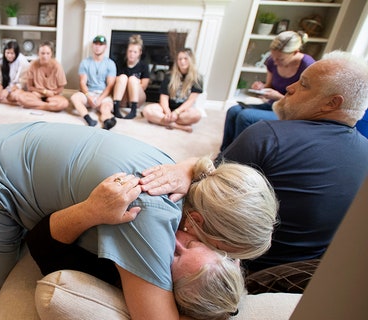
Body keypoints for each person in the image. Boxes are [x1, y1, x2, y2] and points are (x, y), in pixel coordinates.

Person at [0, 121, 278, 320]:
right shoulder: (151, 213)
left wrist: (190, 165)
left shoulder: (182, 177)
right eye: (224, 249)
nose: (224, 259)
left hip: (1, 140)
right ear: (199, 222)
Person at [141, 51, 368, 274]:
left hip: (236, 266)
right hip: (305, 273)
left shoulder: (268, 136)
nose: (289, 88)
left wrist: (188, 165)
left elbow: (206, 188)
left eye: (304, 85)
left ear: (331, 103)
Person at [220, 31, 314, 150]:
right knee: (233, 110)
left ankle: (237, 157)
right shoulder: (272, 61)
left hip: (291, 112)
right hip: (273, 105)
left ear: (295, 52)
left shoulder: (308, 67)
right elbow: (270, 86)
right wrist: (261, 87)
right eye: (273, 57)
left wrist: (279, 97)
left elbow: (307, 103)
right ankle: (224, 153)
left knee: (245, 116)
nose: (275, 62)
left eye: (280, 59)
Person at [142, 48, 203, 132]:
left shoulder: (198, 78)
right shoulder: (169, 76)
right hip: (166, 108)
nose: (182, 61)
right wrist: (168, 113)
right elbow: (164, 98)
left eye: (185, 58)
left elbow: (190, 101)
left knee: (197, 115)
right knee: (147, 111)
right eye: (180, 59)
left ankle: (161, 121)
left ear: (191, 60)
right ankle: (178, 126)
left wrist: (176, 112)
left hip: (183, 111)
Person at [70, 35, 117, 129]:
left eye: (101, 44)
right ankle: (89, 119)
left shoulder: (110, 63)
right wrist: (88, 96)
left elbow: (110, 85)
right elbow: (82, 83)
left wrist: (100, 99)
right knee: (74, 97)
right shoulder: (85, 62)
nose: (98, 46)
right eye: (96, 44)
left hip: (103, 94)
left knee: (106, 108)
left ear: (105, 47)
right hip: (89, 92)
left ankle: (107, 122)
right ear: (92, 45)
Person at [15, 41, 69, 112]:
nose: (45, 56)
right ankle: (48, 106)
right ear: (38, 53)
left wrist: (52, 93)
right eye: (42, 53)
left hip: (53, 95)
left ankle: (35, 106)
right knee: (21, 97)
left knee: (64, 103)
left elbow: (61, 87)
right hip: (37, 93)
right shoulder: (33, 64)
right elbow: (30, 87)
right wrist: (44, 91)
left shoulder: (57, 66)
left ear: (51, 54)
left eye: (47, 53)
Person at [112, 34, 150, 119]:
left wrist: (132, 84)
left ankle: (133, 111)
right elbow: (115, 82)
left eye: (135, 52)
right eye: (130, 51)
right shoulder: (120, 63)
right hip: (123, 98)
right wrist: (125, 81)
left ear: (140, 53)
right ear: (127, 51)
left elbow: (144, 86)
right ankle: (116, 108)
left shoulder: (144, 66)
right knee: (123, 78)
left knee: (132, 79)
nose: (132, 54)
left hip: (138, 98)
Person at [0, 41, 29, 106]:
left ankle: (3, 100)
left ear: (16, 53)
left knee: (15, 95)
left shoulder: (23, 62)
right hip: (4, 89)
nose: (9, 56)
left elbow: (22, 84)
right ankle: (9, 102)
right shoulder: (1, 63)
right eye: (7, 53)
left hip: (16, 89)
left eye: (12, 53)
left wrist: (8, 90)